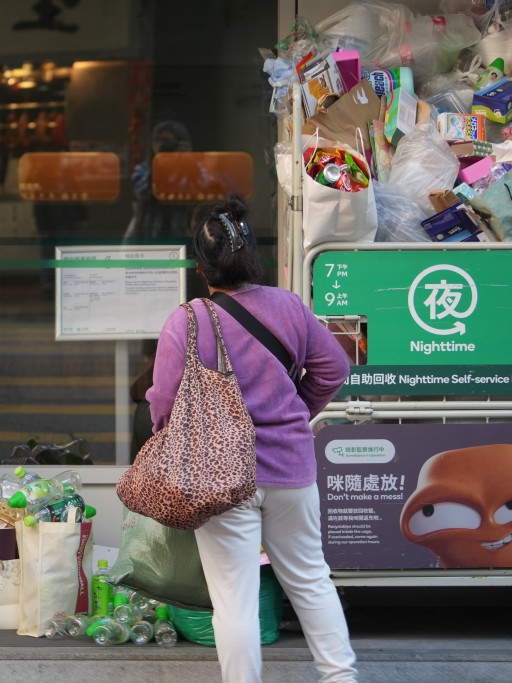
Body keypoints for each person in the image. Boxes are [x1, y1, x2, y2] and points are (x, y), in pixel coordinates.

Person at [145, 194, 357, 683]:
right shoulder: (289, 307)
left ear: (201, 267)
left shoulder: (189, 319)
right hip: (292, 471)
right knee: (310, 581)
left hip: (221, 478)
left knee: (234, 599)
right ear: (250, 256)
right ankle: (341, 678)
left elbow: (163, 399)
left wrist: (171, 438)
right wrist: (296, 414)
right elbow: (334, 368)